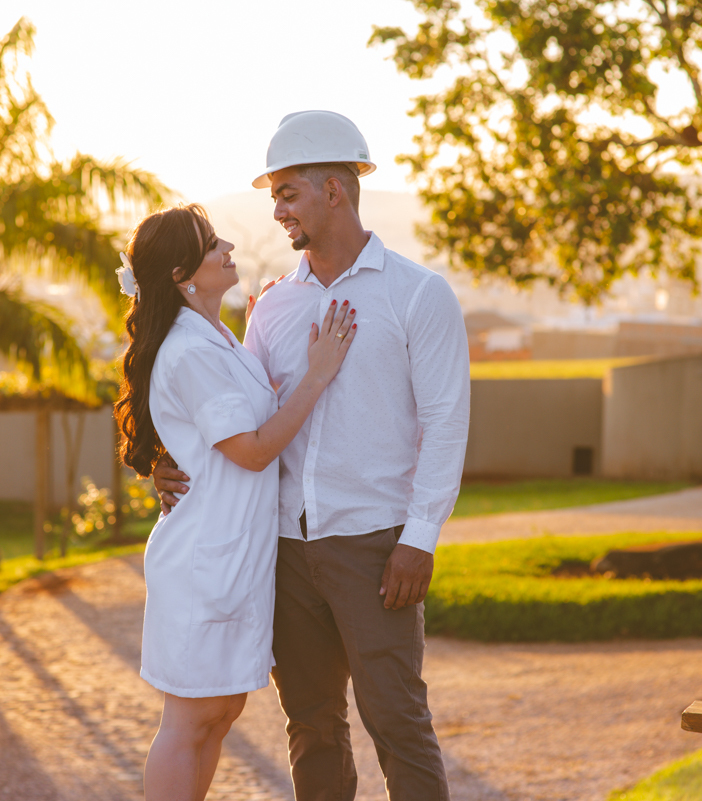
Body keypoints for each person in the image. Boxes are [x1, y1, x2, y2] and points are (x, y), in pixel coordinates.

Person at [154, 111, 470, 799]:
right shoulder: (270, 308)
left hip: (375, 546)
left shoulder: (419, 294)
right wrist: (165, 458)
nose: (276, 211)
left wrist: (419, 538)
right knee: (313, 724)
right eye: (272, 196)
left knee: (397, 721)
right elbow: (232, 408)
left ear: (335, 189)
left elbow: (447, 423)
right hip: (285, 553)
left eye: (287, 193)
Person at [113, 203, 357, 801]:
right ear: (180, 274)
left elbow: (232, 414)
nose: (227, 246)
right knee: (190, 721)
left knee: (219, 714)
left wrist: (260, 322)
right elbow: (250, 450)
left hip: (233, 558)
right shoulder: (190, 349)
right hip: (204, 564)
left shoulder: (215, 336)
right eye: (210, 243)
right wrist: (317, 375)